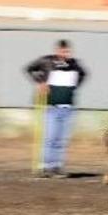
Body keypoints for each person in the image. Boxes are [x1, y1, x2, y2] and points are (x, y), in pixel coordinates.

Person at [26, 40, 87, 178]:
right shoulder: (47, 61)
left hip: (68, 108)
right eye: (64, 51)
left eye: (68, 51)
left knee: (61, 139)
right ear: (58, 51)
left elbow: (83, 74)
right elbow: (29, 69)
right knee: (50, 138)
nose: (67, 54)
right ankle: (45, 167)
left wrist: (72, 87)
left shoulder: (75, 64)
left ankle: (57, 166)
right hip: (51, 107)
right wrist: (40, 82)